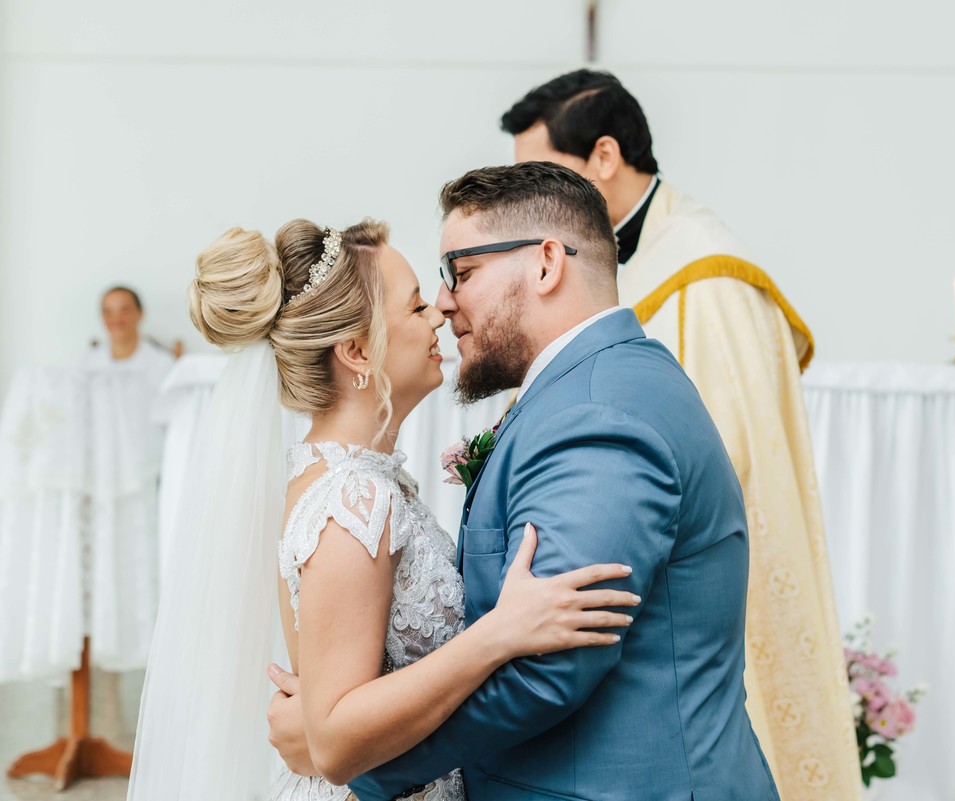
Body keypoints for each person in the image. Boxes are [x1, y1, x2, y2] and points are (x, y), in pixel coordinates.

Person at [270, 162, 780, 801]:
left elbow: (548, 671)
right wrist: (336, 731)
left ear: (545, 264)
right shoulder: (590, 391)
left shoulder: (596, 415)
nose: (444, 303)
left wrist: (345, 757)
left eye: (461, 272)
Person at [127, 218, 638, 801]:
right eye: (416, 306)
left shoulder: (355, 477)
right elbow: (337, 737)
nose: (438, 315)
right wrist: (499, 634)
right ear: (357, 351)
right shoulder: (352, 500)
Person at [502, 70, 861, 800]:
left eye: (541, 174)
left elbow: (723, 453)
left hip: (687, 576)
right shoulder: (584, 261)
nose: (522, 204)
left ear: (605, 156)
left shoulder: (708, 275)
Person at [82, 285, 174, 390]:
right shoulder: (88, 361)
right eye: (108, 312)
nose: (117, 319)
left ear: (140, 313)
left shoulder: (162, 363)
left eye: (124, 311)